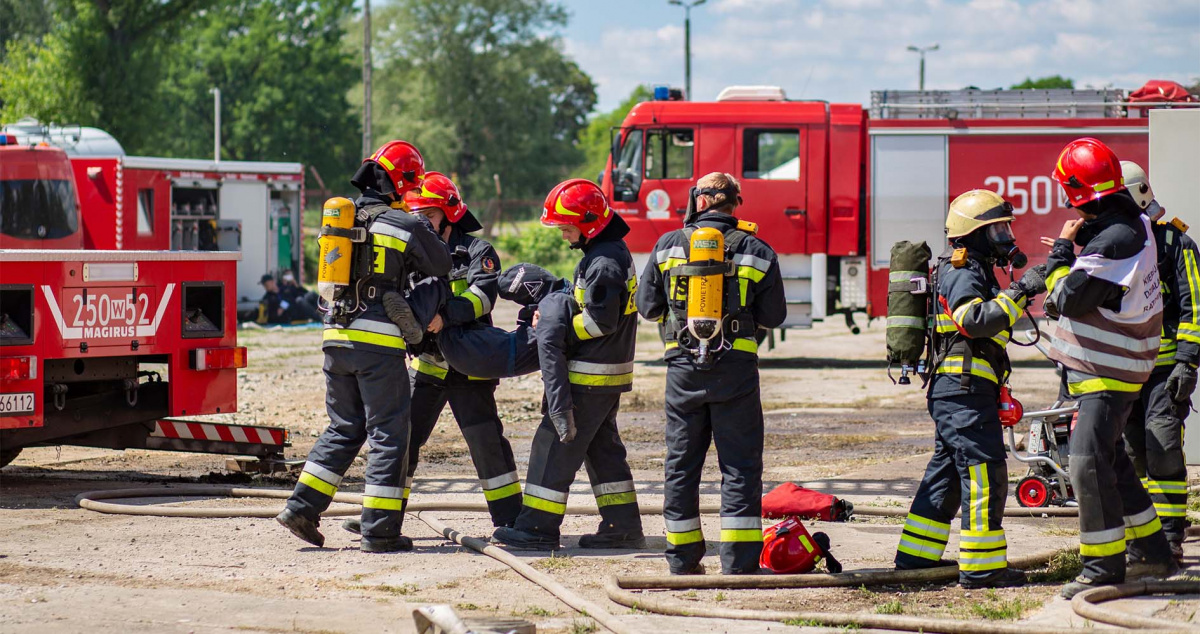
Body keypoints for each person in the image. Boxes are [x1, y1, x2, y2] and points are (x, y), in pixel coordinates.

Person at [275, 141, 452, 553]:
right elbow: (441, 266)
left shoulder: (343, 218)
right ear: (405, 183)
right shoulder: (403, 223)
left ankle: (301, 507)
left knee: (344, 426)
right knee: (391, 433)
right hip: (377, 343)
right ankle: (381, 530)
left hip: (335, 337)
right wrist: (421, 227)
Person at [342, 172, 522, 532]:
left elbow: (483, 295)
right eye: (416, 212)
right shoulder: (415, 248)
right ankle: (379, 520)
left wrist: (444, 317)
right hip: (427, 366)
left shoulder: (476, 252)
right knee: (400, 438)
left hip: (468, 367)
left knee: (486, 442)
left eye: (429, 213)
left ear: (450, 213)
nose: (421, 219)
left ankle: (512, 522)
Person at [883, 189, 1043, 588]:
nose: (1006, 236)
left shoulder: (975, 269)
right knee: (984, 471)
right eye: (997, 229)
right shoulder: (962, 270)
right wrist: (1022, 291)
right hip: (962, 391)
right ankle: (983, 567)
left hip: (960, 391)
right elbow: (974, 320)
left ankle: (916, 557)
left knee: (948, 475)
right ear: (974, 234)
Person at [634, 172, 786, 575]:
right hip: (735, 373)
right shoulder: (757, 248)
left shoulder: (668, 245)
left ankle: (682, 561)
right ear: (736, 203)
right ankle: (738, 563)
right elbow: (775, 315)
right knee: (739, 467)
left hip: (682, 372)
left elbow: (647, 308)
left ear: (699, 201)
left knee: (681, 465)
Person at [1044, 138, 1176, 598]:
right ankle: (1155, 552)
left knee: (1087, 464)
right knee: (1115, 462)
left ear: (1077, 191)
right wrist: (1083, 241)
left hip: (1108, 372)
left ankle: (1102, 567)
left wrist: (1061, 255)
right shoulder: (1127, 224)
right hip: (1115, 370)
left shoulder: (1118, 238)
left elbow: (1066, 299)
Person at [491, 179, 644, 550]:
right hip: (604, 375)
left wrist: (554, 328)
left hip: (589, 377)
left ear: (588, 223)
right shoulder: (605, 254)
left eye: (566, 227)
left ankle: (536, 529)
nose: (562, 235)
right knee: (602, 451)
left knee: (554, 446)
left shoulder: (604, 263)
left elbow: (599, 322)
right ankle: (622, 525)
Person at [1119, 161, 1196, 562]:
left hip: (1165, 372)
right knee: (1131, 455)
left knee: (1162, 445)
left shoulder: (1176, 245)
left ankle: (1168, 538)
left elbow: (1195, 309)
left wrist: (1187, 363)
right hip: (1125, 373)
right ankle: (1141, 539)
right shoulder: (1113, 249)